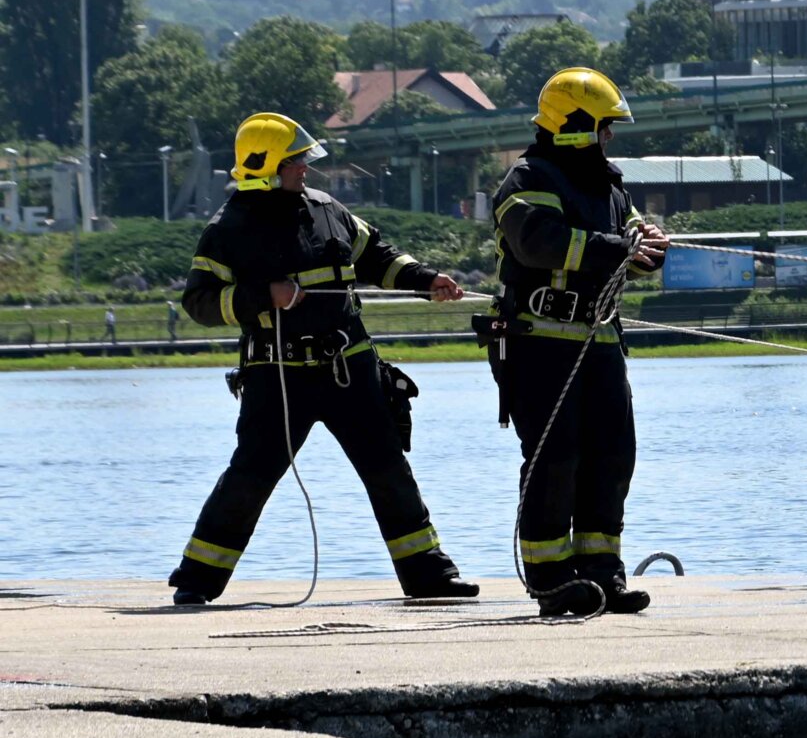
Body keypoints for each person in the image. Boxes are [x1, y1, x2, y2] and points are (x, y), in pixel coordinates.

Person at [167, 113, 474, 606]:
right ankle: (198, 579)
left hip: (349, 369)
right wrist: (264, 294)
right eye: (295, 161)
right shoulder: (227, 228)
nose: (304, 169)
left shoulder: (328, 209)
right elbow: (199, 302)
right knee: (250, 476)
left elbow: (377, 257)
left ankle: (429, 576)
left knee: (388, 469)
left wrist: (426, 280)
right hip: (277, 377)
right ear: (266, 168)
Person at [487, 67, 668, 618]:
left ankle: (602, 573)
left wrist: (650, 246)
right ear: (575, 124)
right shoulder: (527, 179)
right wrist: (617, 248)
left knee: (613, 455)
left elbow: (632, 239)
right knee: (555, 457)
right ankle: (551, 580)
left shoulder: (609, 186)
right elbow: (538, 242)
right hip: (538, 342)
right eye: (603, 126)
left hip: (600, 340)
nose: (609, 136)